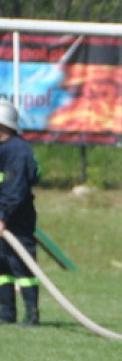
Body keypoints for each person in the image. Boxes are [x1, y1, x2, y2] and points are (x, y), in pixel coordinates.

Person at [0, 100, 41, 326]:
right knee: (2, 267)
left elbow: (14, 188)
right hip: (3, 219)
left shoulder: (17, 150)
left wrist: (3, 216)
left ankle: (31, 314)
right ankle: (6, 313)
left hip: (17, 220)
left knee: (22, 265)